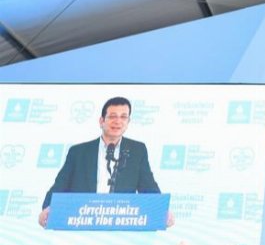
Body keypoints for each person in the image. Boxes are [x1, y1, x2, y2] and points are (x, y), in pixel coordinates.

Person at [38, 96, 172, 227]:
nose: (118, 121)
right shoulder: (78, 152)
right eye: (113, 116)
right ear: (101, 121)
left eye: (123, 117)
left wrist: (162, 210)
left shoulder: (137, 150)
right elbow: (60, 185)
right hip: (83, 222)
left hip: (120, 225)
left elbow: (148, 187)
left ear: (128, 122)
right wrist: (47, 208)